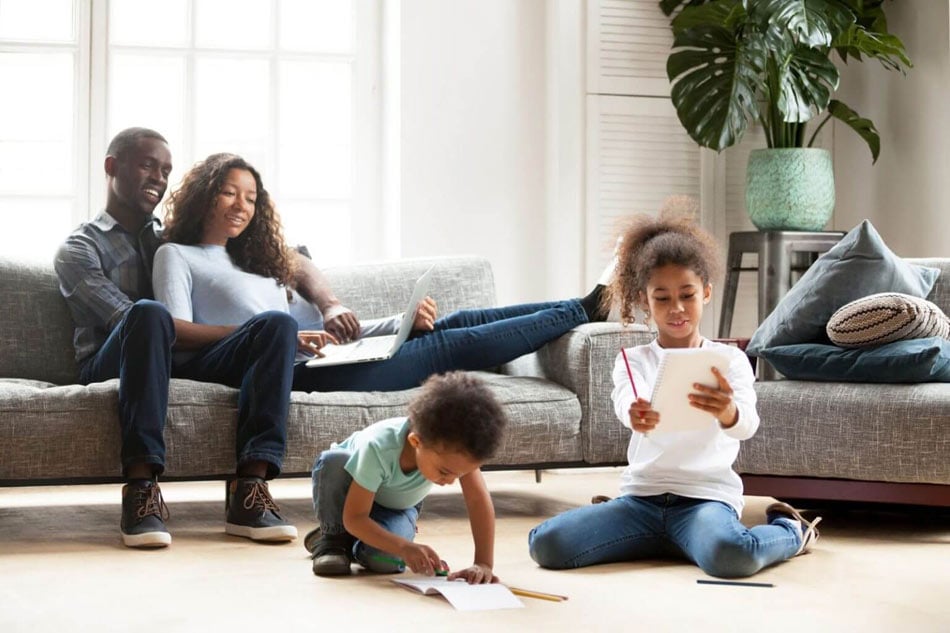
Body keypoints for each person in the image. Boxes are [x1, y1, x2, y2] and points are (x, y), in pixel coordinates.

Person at [53, 129, 348, 549]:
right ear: (111, 167)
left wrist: (327, 303)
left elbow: (288, 255)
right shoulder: (79, 248)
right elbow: (135, 322)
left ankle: (250, 490)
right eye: (147, 164)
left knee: (277, 325)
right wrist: (241, 331)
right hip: (113, 360)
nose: (159, 176)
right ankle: (140, 489)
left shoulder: (169, 235)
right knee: (148, 314)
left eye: (166, 170)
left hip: (186, 357)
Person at [152, 152, 612, 396]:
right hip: (282, 373)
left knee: (458, 321)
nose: (242, 206)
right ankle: (583, 308)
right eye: (230, 193)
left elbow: (318, 332)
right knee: (448, 346)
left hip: (319, 358)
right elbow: (174, 334)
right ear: (205, 195)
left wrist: (398, 323)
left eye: (251, 198)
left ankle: (585, 304)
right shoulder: (178, 255)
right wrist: (268, 337)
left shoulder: (257, 259)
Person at [526, 210, 822, 579]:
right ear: (644, 301)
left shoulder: (729, 360)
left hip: (705, 500)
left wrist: (727, 410)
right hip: (641, 500)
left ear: (707, 292)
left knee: (733, 556)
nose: (676, 308)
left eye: (687, 295)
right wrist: (634, 415)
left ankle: (790, 531)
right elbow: (623, 403)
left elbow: (746, 426)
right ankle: (652, 535)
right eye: (662, 298)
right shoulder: (631, 360)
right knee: (546, 544)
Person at [307, 371, 506, 580]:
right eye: (445, 472)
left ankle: (354, 543)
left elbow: (477, 500)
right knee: (334, 461)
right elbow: (355, 517)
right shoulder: (378, 447)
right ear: (416, 442)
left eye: (460, 474)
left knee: (383, 560)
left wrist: (483, 563)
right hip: (349, 501)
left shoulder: (457, 452)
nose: (450, 481)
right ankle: (333, 539)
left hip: (395, 508)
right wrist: (403, 546)